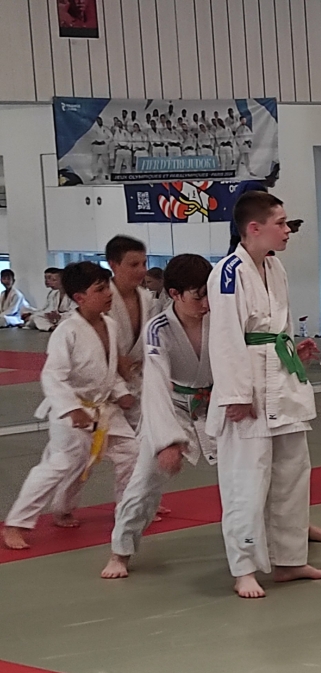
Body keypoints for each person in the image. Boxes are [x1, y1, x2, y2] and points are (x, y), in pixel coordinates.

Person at [208, 191, 321, 599]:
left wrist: (293, 349)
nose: (287, 230)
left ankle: (290, 560)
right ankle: (244, 568)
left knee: (293, 476)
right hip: (248, 391)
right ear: (254, 228)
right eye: (280, 223)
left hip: (282, 386)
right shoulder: (228, 273)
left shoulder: (275, 267)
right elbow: (225, 338)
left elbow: (275, 330)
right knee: (246, 483)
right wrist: (235, 394)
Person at [2, 263, 139, 550]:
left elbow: (107, 370)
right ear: (80, 297)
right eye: (100, 289)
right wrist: (71, 409)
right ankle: (16, 523)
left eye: (107, 287)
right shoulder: (67, 331)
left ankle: (126, 511)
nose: (108, 294)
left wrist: (121, 392)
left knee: (131, 453)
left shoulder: (110, 325)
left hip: (103, 408)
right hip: (72, 409)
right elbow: (53, 375)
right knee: (61, 464)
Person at [102, 255, 218, 578]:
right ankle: (120, 552)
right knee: (144, 482)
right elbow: (155, 385)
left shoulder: (221, 317)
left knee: (254, 471)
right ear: (175, 294)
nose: (207, 304)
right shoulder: (158, 329)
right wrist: (167, 440)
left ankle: (287, 532)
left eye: (209, 294)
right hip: (173, 406)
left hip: (217, 404)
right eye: (199, 296)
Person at [105, 236, 157, 430]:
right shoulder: (100, 298)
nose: (142, 270)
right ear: (113, 265)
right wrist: (116, 360)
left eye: (144, 263)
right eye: (134, 265)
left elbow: (152, 341)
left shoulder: (147, 298)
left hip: (138, 380)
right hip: (106, 383)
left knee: (144, 438)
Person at [25, 267, 75, 332]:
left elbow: (75, 312)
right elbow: (46, 309)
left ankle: (52, 326)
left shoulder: (73, 294)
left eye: (54, 280)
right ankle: (52, 327)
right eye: (46, 279)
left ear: (64, 281)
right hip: (55, 320)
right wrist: (32, 314)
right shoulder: (53, 294)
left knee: (70, 320)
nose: (48, 282)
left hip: (66, 318)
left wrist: (60, 316)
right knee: (36, 317)